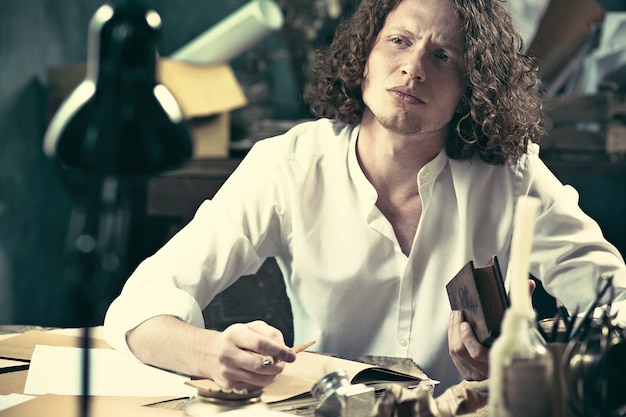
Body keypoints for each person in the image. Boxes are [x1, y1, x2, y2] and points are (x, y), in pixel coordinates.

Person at [104, 0, 626, 393]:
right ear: (365, 56)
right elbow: (137, 308)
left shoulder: (511, 177)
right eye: (399, 41)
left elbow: (618, 306)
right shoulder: (286, 165)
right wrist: (211, 350)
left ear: (474, 87)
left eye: (443, 56)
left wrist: (524, 353)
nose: (414, 68)